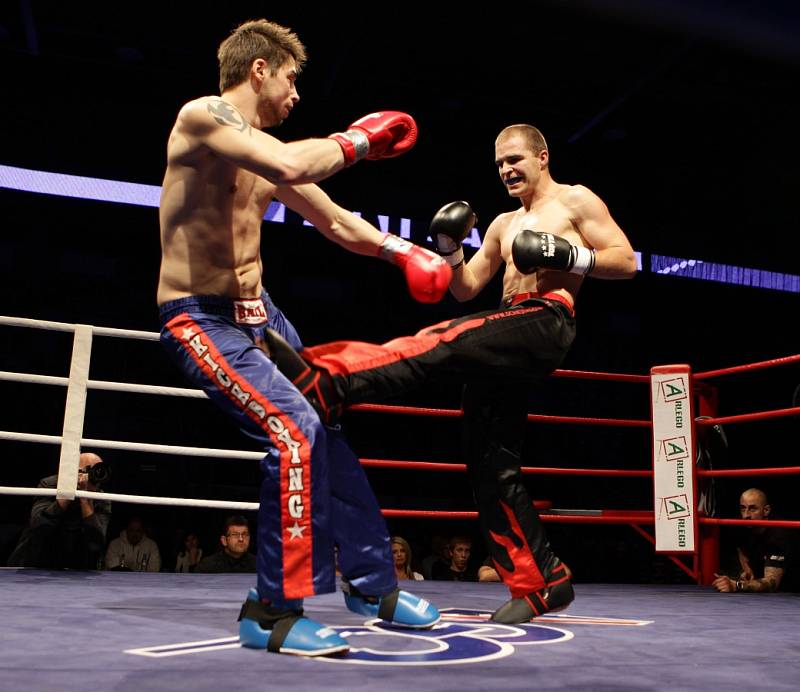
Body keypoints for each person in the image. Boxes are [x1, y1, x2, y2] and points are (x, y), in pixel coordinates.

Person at [264, 123, 637, 622]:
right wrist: (449, 246)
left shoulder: (575, 201)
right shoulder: (504, 224)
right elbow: (465, 288)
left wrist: (570, 254)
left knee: (446, 339)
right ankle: (543, 581)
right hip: (507, 334)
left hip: (545, 320)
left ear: (542, 156)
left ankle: (329, 376)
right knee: (488, 462)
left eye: (515, 159)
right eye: (499, 163)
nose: (506, 169)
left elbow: (627, 260)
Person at [156, 18, 442, 657]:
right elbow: (293, 158)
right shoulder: (202, 118)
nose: (296, 93)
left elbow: (338, 222)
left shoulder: (260, 151)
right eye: (291, 78)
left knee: (327, 419)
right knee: (293, 429)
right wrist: (360, 140)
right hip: (200, 316)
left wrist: (405, 253)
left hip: (261, 314)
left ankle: (371, 585)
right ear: (260, 69)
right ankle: (271, 613)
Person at [7, 452, 111, 569]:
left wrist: (85, 500)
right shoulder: (50, 485)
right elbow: (38, 526)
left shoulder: (100, 499)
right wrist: (67, 493)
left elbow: (96, 544)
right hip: (36, 560)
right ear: (75, 471)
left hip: (73, 567)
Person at [712, 488, 798, 593]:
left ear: (766, 510)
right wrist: (746, 570)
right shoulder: (742, 527)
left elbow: (772, 583)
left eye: (753, 509)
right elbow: (741, 552)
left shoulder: (779, 534)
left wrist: (738, 585)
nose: (746, 515)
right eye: (743, 509)